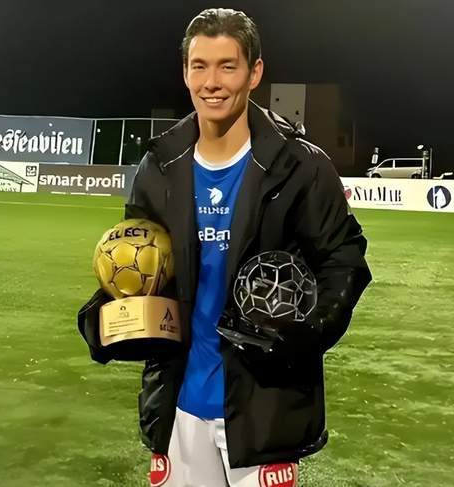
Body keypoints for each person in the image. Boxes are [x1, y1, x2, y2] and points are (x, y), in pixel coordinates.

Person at [79, 8, 371, 486]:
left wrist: (308, 333)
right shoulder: (159, 166)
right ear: (185, 72)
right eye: (199, 66)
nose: (211, 82)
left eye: (227, 66)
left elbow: (344, 260)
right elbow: (142, 266)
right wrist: (107, 316)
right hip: (179, 405)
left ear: (254, 73)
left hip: (264, 405)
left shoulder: (301, 166)